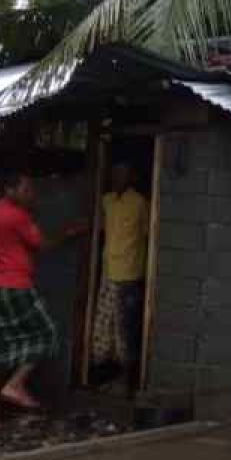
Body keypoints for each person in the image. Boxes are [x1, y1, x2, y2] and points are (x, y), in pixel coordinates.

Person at [0, 172, 86, 424]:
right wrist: (69, 232)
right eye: (26, 190)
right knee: (48, 334)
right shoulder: (18, 216)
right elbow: (42, 244)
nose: (31, 195)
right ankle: (15, 384)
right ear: (9, 190)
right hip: (14, 287)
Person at [91, 161, 149, 394]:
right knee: (105, 328)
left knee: (125, 329)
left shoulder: (140, 203)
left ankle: (126, 382)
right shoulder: (106, 201)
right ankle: (109, 378)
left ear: (131, 177)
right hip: (108, 271)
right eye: (114, 173)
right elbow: (101, 229)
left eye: (122, 174)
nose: (117, 178)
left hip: (129, 274)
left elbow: (148, 234)